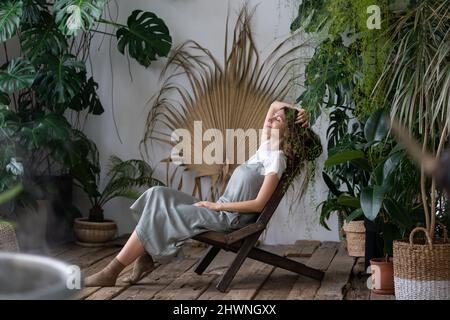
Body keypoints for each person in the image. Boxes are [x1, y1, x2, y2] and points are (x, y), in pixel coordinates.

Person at [84, 101, 310, 287]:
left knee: (163, 214)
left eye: (277, 120)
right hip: (220, 208)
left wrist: (217, 207)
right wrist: (297, 110)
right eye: (272, 118)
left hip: (229, 219)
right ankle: (145, 257)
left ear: (288, 131)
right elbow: (272, 105)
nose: (270, 120)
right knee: (157, 194)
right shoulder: (265, 148)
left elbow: (259, 204)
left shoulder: (277, 159)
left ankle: (111, 271)